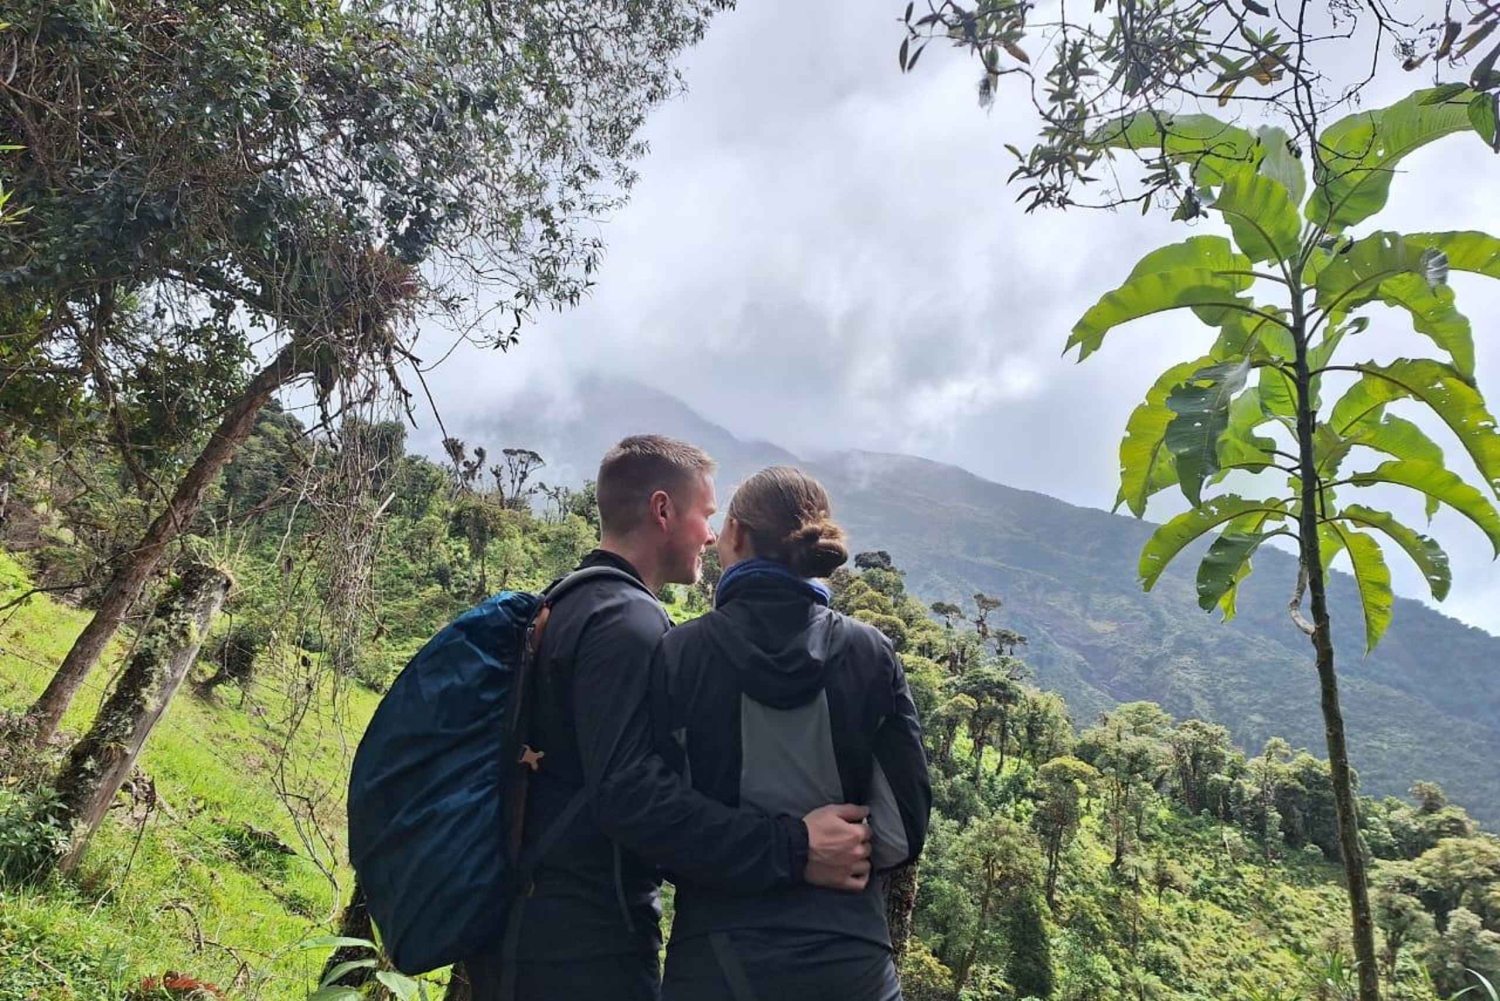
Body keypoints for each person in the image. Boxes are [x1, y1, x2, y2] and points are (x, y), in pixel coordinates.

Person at [465, 436, 874, 1001]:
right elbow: (632, 796)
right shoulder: (629, 626)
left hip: (534, 928)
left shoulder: (570, 599)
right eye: (706, 514)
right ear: (662, 510)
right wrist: (795, 848)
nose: (712, 533)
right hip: (581, 951)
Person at [654, 465, 932, 1001]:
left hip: (715, 962)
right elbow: (900, 834)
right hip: (850, 963)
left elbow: (659, 828)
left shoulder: (681, 653)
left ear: (734, 533)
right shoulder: (870, 652)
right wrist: (821, 849)